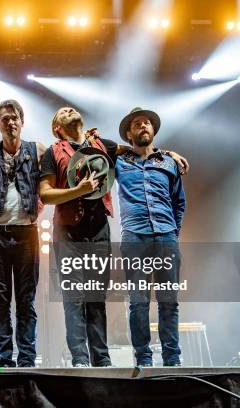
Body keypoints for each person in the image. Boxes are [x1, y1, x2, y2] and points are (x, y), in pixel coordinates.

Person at [40, 107, 188, 367]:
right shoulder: (61, 152)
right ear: (56, 127)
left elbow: (175, 197)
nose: (69, 109)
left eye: (147, 123)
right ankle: (92, 360)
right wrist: (78, 190)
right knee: (87, 300)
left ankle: (112, 359)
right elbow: (45, 193)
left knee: (107, 299)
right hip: (86, 233)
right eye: (63, 111)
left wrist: (169, 154)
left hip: (120, 233)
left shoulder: (112, 148)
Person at [0, 99, 47, 368]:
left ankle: (27, 358)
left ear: (22, 121)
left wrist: (38, 202)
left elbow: (57, 174)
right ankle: (5, 359)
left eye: (15, 117)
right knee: (1, 301)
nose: (10, 122)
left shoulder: (37, 149)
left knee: (26, 300)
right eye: (5, 118)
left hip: (27, 233)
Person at [117, 107, 186, 367]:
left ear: (153, 130)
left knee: (169, 301)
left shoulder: (169, 162)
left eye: (147, 123)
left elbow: (179, 202)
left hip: (166, 237)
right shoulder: (119, 161)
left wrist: (172, 233)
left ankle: (172, 359)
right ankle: (144, 359)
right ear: (128, 133)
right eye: (137, 124)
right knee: (138, 302)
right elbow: (97, 148)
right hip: (134, 237)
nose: (143, 126)